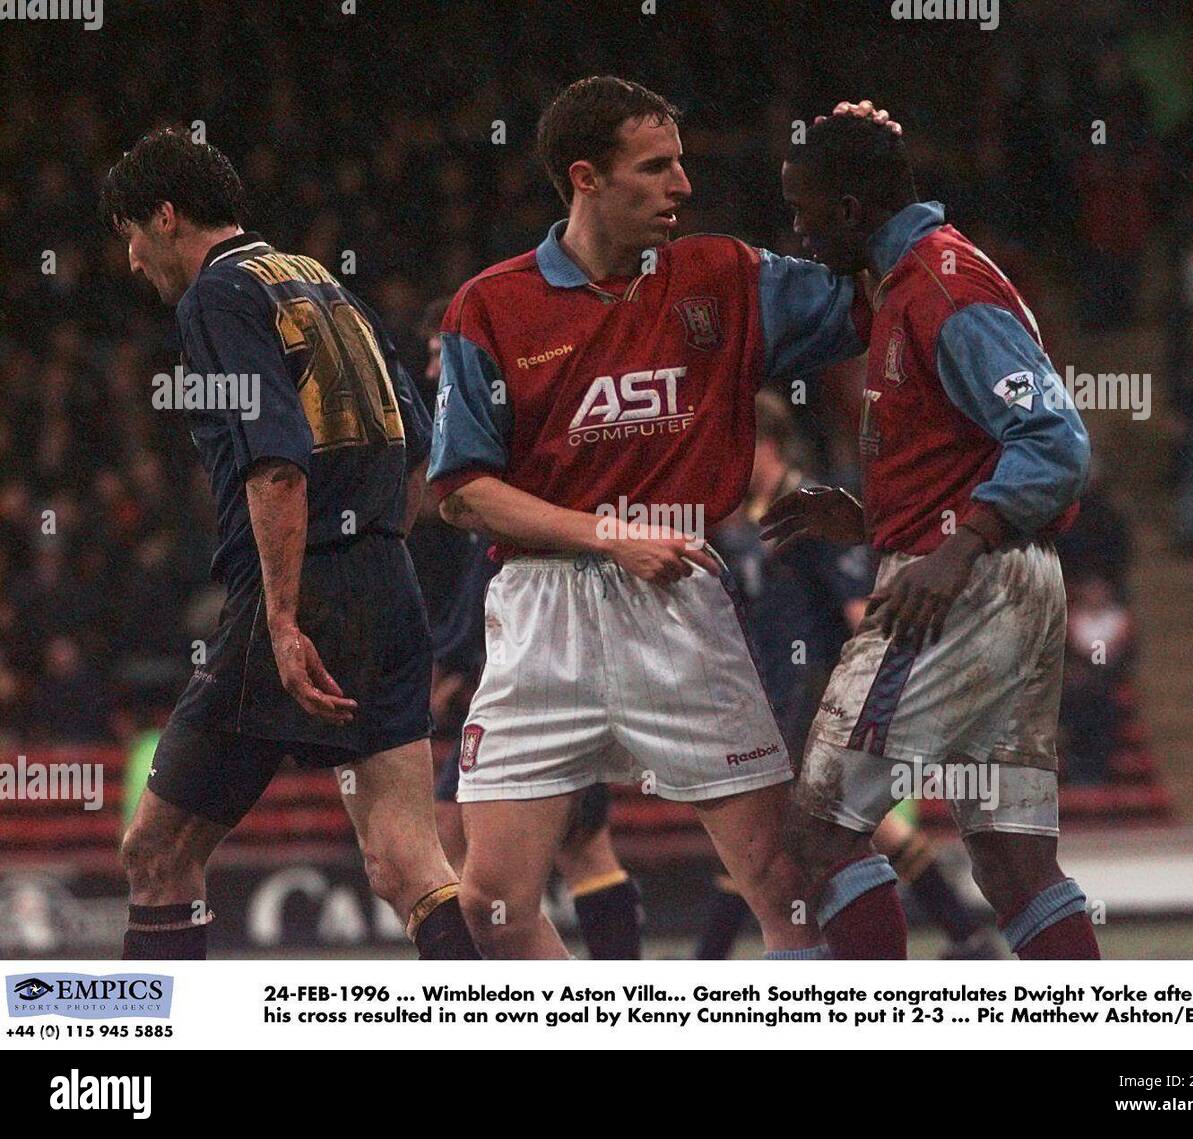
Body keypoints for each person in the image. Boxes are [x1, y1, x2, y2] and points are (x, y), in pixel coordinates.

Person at [428, 77, 884, 959]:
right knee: (491, 903)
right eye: (656, 167)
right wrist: (608, 533)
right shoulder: (490, 306)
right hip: (537, 613)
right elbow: (462, 490)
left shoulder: (726, 275)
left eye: (683, 164)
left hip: (680, 604)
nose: (682, 186)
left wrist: (872, 175)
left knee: (782, 885)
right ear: (585, 178)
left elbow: (878, 293)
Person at [100, 128, 476, 959]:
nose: (131, 260)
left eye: (129, 234)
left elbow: (275, 467)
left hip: (299, 598)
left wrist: (283, 615)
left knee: (156, 853)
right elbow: (420, 448)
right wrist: (373, 554)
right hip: (388, 582)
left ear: (165, 217)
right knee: (409, 860)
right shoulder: (319, 278)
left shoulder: (218, 296)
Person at [763, 110, 1099, 959]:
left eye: (804, 211)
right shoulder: (915, 279)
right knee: (1016, 860)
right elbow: (973, 447)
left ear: (847, 208)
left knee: (818, 829)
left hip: (963, 585)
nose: (798, 233)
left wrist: (953, 546)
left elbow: (1057, 441)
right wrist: (878, 518)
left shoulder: (943, 286)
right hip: (1001, 574)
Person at [701, 390, 999, 959]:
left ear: (765, 444)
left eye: (737, 446)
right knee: (840, 827)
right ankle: (964, 935)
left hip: (817, 690)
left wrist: (874, 692)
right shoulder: (752, 519)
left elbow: (860, 608)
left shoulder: (811, 509)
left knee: (769, 827)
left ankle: (723, 958)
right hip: (779, 692)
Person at [415, 307, 643, 958]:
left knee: (459, 837)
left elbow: (494, 564)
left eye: (439, 353)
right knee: (581, 843)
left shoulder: (489, 453)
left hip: (531, 657)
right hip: (543, 651)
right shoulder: (500, 440)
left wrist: (457, 658)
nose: (432, 369)